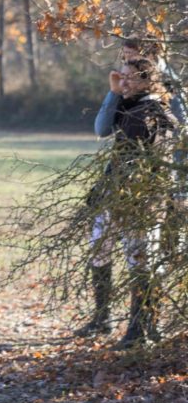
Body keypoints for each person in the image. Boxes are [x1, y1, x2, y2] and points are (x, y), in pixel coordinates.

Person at [83, 57, 176, 347]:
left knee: (141, 261)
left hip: (139, 201)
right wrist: (114, 90)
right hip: (114, 195)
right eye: (121, 76)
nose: (124, 81)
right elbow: (101, 129)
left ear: (148, 80)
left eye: (129, 77)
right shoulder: (130, 105)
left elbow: (154, 161)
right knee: (101, 250)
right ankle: (104, 318)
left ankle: (140, 329)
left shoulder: (152, 112)